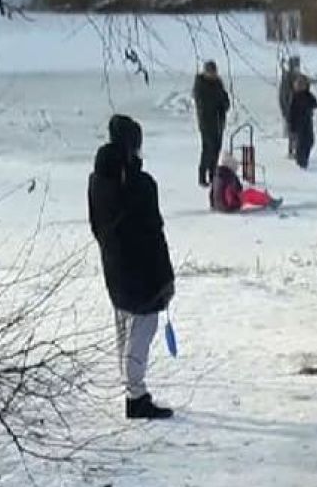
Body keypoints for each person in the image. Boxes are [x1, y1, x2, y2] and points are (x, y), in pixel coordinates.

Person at [88, 114, 175, 420]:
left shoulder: (98, 181)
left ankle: (131, 389)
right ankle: (135, 395)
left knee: (125, 327)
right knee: (142, 328)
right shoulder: (139, 184)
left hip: (115, 267)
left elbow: (96, 226)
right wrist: (165, 278)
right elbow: (153, 234)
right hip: (142, 273)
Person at [193, 60, 231, 187]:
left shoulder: (218, 83)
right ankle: (202, 175)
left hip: (218, 121)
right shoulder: (200, 85)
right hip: (206, 122)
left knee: (217, 149)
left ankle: (212, 174)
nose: (214, 75)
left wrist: (224, 104)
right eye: (211, 72)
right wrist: (217, 101)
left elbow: (224, 99)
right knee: (208, 149)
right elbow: (203, 103)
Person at [210, 153, 282, 212]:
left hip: (218, 206)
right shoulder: (229, 175)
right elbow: (238, 190)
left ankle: (266, 199)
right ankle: (269, 200)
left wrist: (214, 205)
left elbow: (211, 193)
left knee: (247, 193)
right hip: (229, 206)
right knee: (250, 193)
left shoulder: (216, 176)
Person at [288, 75, 317, 169]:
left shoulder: (307, 95)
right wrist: (291, 126)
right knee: (301, 142)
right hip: (298, 124)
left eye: (302, 84)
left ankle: (303, 159)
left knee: (310, 141)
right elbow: (291, 113)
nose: (300, 86)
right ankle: (301, 161)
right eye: (298, 84)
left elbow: (315, 104)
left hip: (307, 122)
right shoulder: (295, 97)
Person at [279, 55, 303, 157]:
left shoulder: (298, 78)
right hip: (290, 109)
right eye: (296, 66)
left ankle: (296, 150)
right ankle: (292, 151)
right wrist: (285, 110)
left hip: (299, 110)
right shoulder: (287, 79)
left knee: (298, 132)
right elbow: (283, 96)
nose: (297, 69)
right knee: (292, 132)